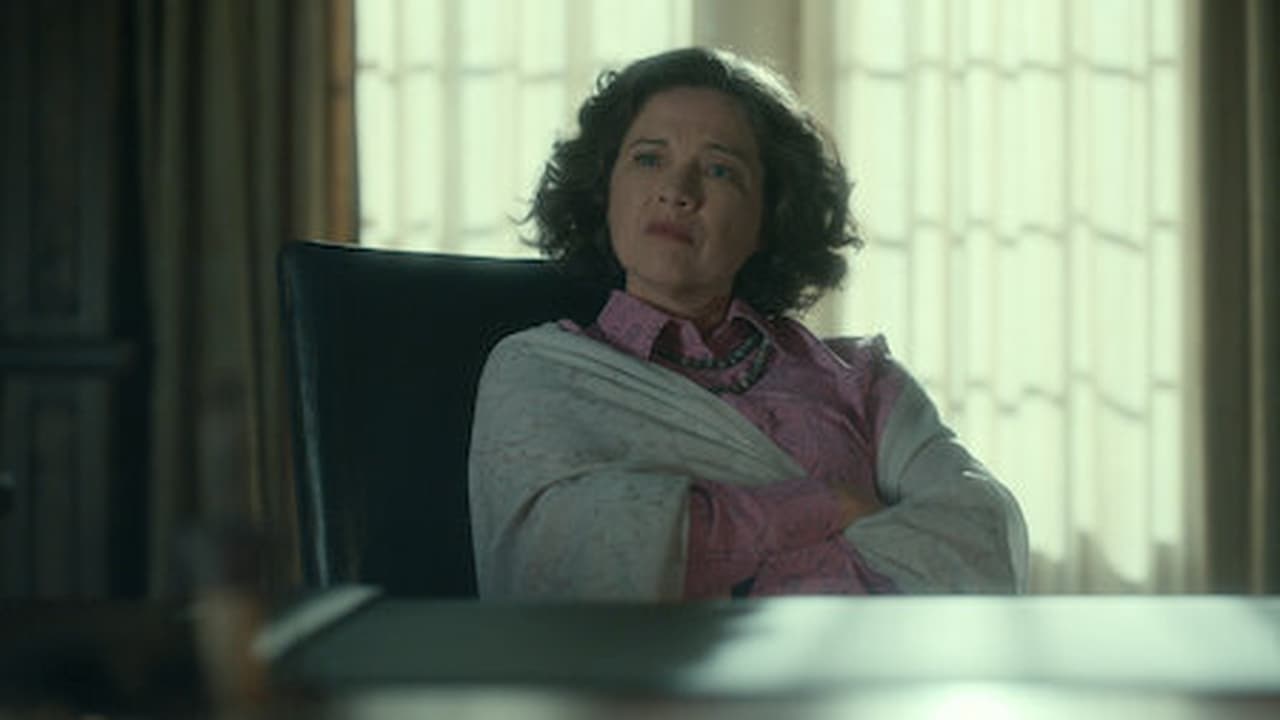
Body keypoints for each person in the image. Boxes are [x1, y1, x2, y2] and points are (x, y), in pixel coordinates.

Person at [468, 47, 1027, 600]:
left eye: (719, 170)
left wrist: (727, 581)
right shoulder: (538, 372)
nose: (677, 191)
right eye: (648, 159)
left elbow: (981, 540)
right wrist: (831, 506)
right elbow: (566, 568)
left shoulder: (865, 382)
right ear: (604, 190)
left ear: (769, 216)